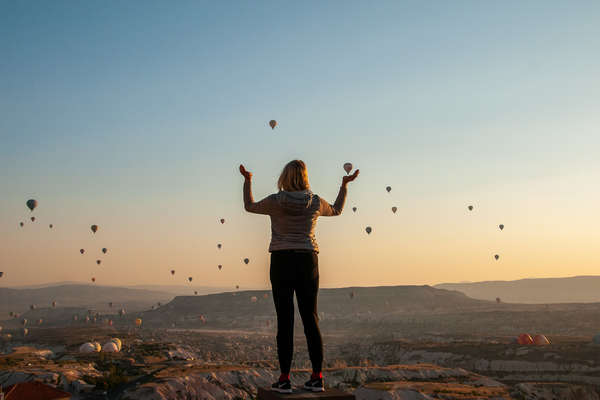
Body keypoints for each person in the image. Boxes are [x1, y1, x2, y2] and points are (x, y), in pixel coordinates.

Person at [240, 160, 359, 393]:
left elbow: (249, 206)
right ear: (305, 177)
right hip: (308, 261)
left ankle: (284, 378)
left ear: (285, 177)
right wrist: (344, 185)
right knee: (310, 319)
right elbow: (336, 210)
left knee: (285, 321)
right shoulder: (314, 202)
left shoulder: (276, 201)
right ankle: (317, 377)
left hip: (282, 260)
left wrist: (248, 180)